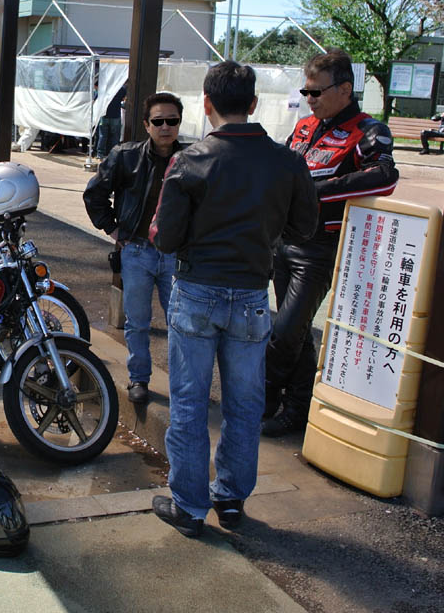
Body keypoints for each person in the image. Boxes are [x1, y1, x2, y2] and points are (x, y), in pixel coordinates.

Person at [148, 61, 317, 536]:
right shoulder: (287, 161)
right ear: (254, 103)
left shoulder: (191, 160)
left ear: (206, 104)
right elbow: (305, 228)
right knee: (244, 404)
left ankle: (189, 507)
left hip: (196, 291)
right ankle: (232, 500)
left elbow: (164, 237)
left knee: (189, 402)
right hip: (251, 295)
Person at [263, 49, 398, 437]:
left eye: (316, 92)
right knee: (296, 332)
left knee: (285, 332)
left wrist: (315, 190)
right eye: (305, 92)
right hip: (284, 242)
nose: (310, 99)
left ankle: (265, 398)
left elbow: (384, 177)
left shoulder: (368, 131)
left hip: (321, 248)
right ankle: (296, 408)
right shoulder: (304, 127)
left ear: (344, 89)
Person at [83, 91, 185, 404]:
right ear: (146, 124)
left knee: (181, 323)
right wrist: (114, 230)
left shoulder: (191, 159)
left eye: (172, 121)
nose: (165, 127)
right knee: (137, 322)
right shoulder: (126, 156)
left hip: (177, 255)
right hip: (137, 251)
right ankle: (139, 378)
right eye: (159, 121)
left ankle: (183, 385)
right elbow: (94, 194)